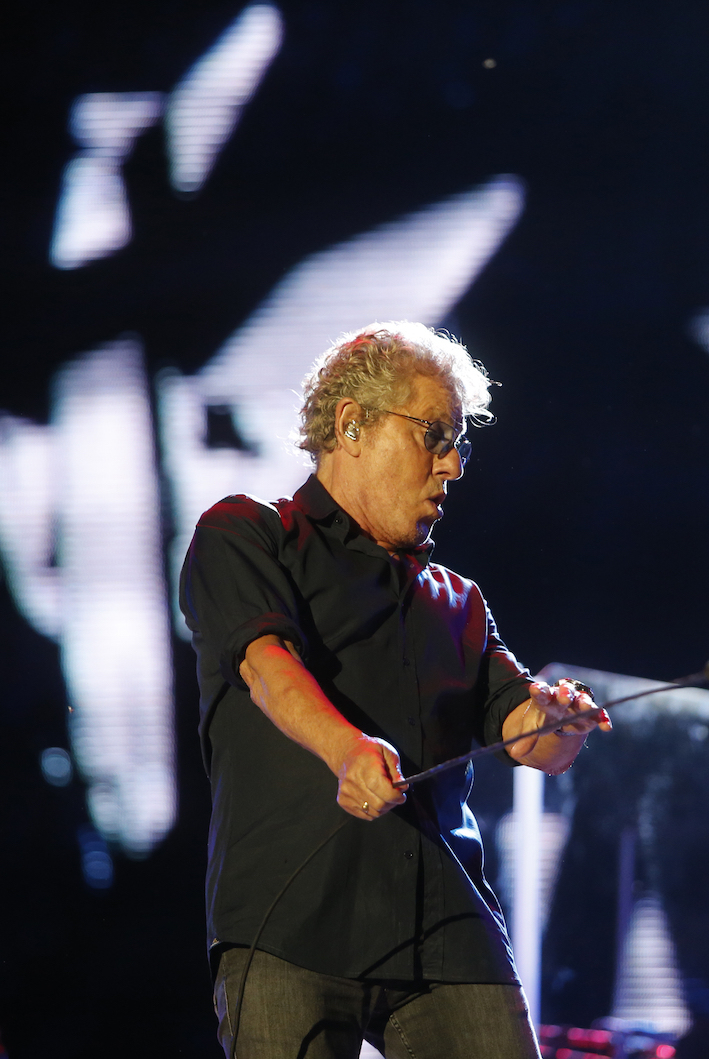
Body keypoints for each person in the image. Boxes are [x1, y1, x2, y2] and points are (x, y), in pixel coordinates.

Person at [180, 321, 611, 1059]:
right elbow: (267, 666)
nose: (454, 466)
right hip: (292, 923)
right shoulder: (246, 535)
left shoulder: (459, 600)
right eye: (434, 436)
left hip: (445, 928)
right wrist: (346, 749)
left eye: (459, 444)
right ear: (352, 425)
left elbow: (530, 738)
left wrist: (558, 722)